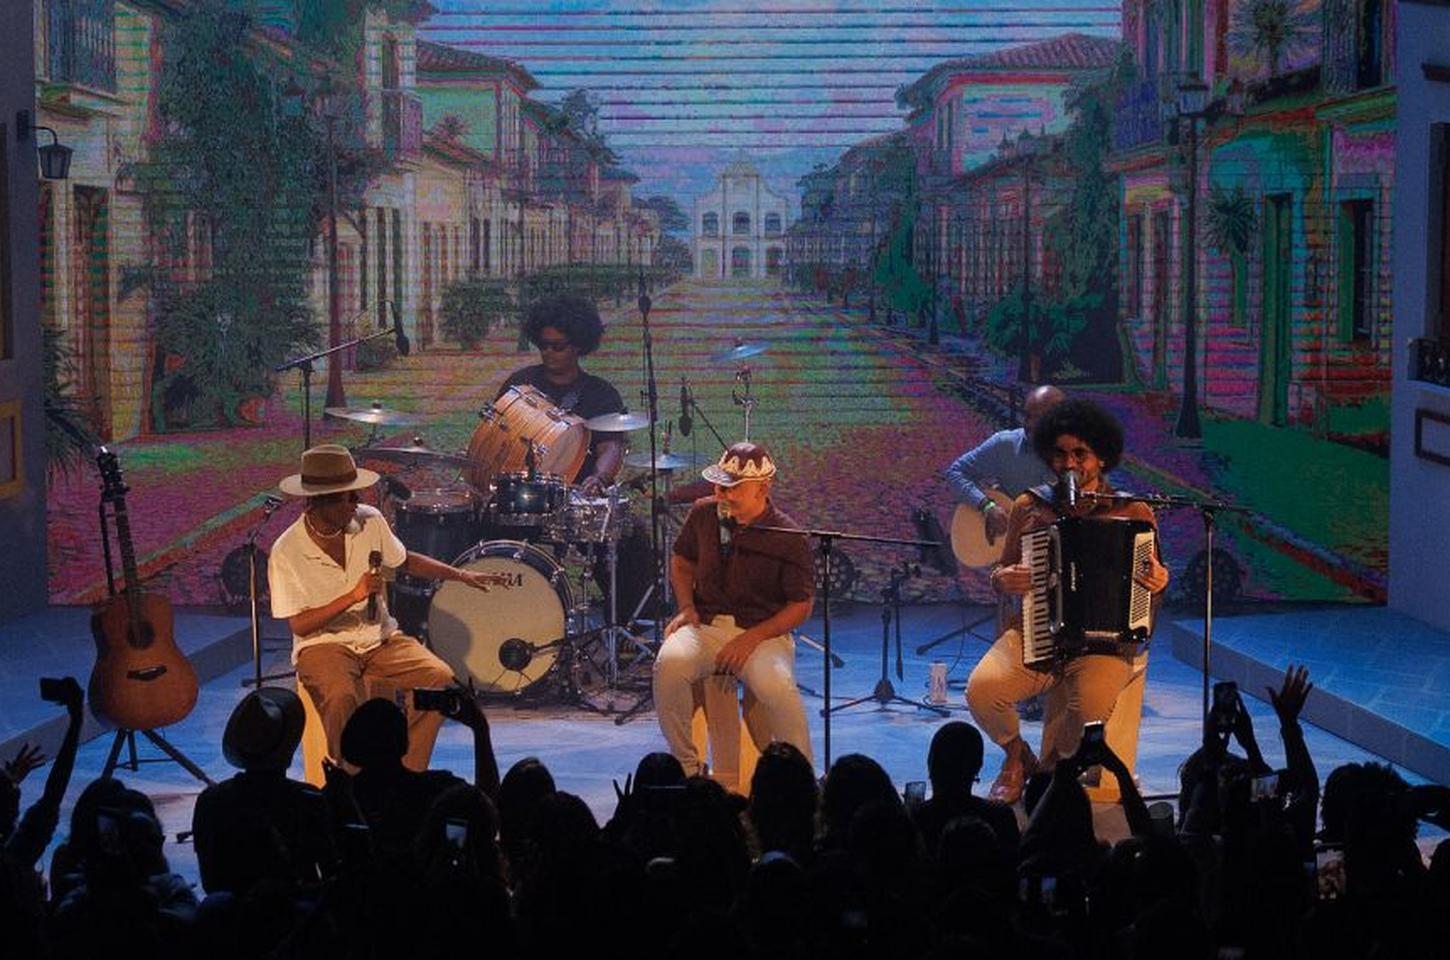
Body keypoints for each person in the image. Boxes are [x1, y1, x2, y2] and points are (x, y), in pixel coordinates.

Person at [965, 398, 1170, 803]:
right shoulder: (1031, 505)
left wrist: (1158, 583)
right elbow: (1001, 573)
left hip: (1104, 644)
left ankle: (1051, 773)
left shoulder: (1133, 511)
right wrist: (1003, 579)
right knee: (981, 691)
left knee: (1091, 709)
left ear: (1102, 458)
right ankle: (1016, 756)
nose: (1070, 463)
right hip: (1037, 633)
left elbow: (1152, 592)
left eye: (1081, 453)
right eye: (1060, 453)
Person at [268, 444, 506, 771]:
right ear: (320, 500)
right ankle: (348, 783)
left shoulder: (370, 521)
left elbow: (405, 560)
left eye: (357, 494)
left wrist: (461, 574)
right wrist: (352, 596)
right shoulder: (286, 550)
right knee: (340, 697)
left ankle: (405, 773)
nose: (358, 503)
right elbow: (300, 625)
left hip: (380, 639)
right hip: (324, 645)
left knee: (439, 680)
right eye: (349, 497)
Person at [653, 442, 815, 776]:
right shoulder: (703, 513)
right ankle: (688, 771)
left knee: (777, 686)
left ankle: (803, 780)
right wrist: (686, 606)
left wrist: (751, 638)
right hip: (708, 625)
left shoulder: (788, 535)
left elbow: (801, 605)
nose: (722, 494)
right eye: (719, 486)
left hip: (763, 633)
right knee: (668, 664)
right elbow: (682, 560)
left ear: (763, 489)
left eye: (733, 488)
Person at [191, 687, 335, 895]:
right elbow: (331, 870)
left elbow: (210, 883)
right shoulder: (307, 799)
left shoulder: (211, 800)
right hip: (299, 909)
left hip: (235, 913)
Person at [495, 293, 626, 494]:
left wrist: (599, 478)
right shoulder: (519, 383)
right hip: (519, 495)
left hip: (576, 495)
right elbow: (495, 435)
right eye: (543, 345)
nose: (548, 352)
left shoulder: (601, 394)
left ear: (578, 345)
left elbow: (610, 447)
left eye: (557, 346)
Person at [944, 384, 1065, 543]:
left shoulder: (1079, 456)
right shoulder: (1005, 445)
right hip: (1009, 548)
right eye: (1027, 415)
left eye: (1038, 418)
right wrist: (987, 507)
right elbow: (956, 472)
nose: (1028, 424)